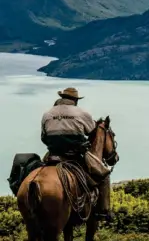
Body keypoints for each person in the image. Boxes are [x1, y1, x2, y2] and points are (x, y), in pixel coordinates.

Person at [41, 87, 111, 220]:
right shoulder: (82, 113)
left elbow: (43, 137)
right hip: (75, 155)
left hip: (53, 154)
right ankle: (103, 211)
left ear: (61, 98)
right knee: (104, 174)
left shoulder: (47, 114)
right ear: (75, 100)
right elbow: (92, 133)